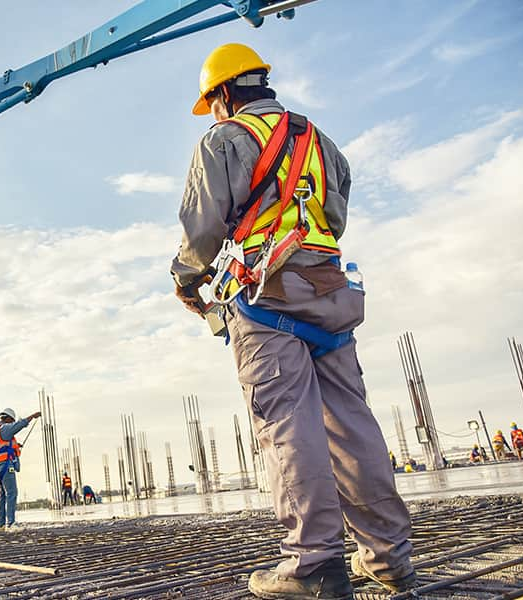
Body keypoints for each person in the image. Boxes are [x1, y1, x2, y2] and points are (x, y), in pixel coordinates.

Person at [172, 44, 415, 599]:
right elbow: (334, 216)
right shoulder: (319, 141)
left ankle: (313, 564)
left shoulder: (224, 139)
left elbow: (203, 226)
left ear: (225, 92)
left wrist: (185, 277)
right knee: (351, 423)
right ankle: (389, 557)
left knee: (288, 425)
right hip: (328, 288)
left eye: (211, 101)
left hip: (265, 295)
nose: (211, 112)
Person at [0, 407, 42, 532]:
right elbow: (19, 425)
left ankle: (0, 524)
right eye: (11, 420)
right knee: (12, 493)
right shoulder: (5, 428)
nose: (12, 423)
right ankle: (11, 523)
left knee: (3, 495)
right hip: (6, 465)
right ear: (8, 418)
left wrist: (15, 446)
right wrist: (32, 416)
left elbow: (1, 446)